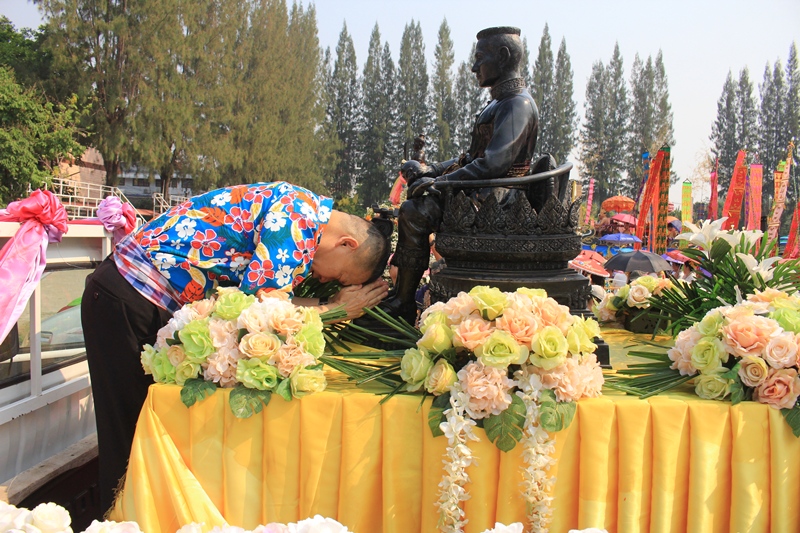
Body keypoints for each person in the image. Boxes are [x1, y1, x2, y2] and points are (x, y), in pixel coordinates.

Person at [81, 181, 391, 512]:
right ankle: (118, 522)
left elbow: (269, 299)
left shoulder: (303, 211)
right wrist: (335, 310)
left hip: (134, 298)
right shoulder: (297, 222)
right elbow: (260, 311)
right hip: (128, 296)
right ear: (346, 243)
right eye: (339, 277)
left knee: (143, 434)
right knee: (128, 437)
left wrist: (330, 305)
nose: (326, 281)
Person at [374, 26, 539, 323]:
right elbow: (471, 158)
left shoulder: (517, 104)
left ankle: (404, 302)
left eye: (480, 58)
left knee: (415, 211)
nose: (474, 67)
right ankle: (401, 296)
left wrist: (438, 182)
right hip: (482, 191)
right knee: (415, 203)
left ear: (503, 56)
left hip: (499, 198)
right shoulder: (500, 102)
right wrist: (432, 170)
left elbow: (493, 164)